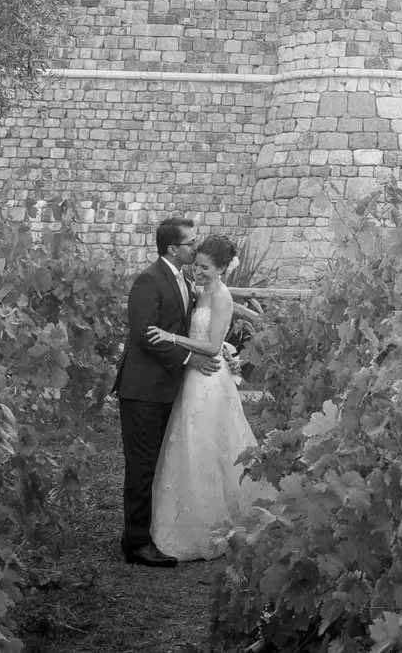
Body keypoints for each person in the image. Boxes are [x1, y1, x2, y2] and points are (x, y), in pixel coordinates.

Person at [146, 234, 266, 560]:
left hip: (209, 381)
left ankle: (211, 526)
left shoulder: (222, 296)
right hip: (193, 377)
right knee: (187, 446)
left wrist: (172, 337)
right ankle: (186, 521)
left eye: (206, 268)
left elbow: (212, 346)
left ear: (223, 268)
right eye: (197, 265)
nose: (198, 272)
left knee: (205, 447)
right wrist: (224, 347)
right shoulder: (202, 291)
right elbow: (216, 339)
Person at [112, 218, 217, 568]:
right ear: (173, 249)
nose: (196, 247)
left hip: (165, 387)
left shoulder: (184, 279)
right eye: (191, 243)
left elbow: (178, 328)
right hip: (142, 389)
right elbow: (145, 334)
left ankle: (149, 530)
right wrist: (190, 358)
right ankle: (136, 543)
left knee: (157, 464)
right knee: (141, 467)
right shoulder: (149, 280)